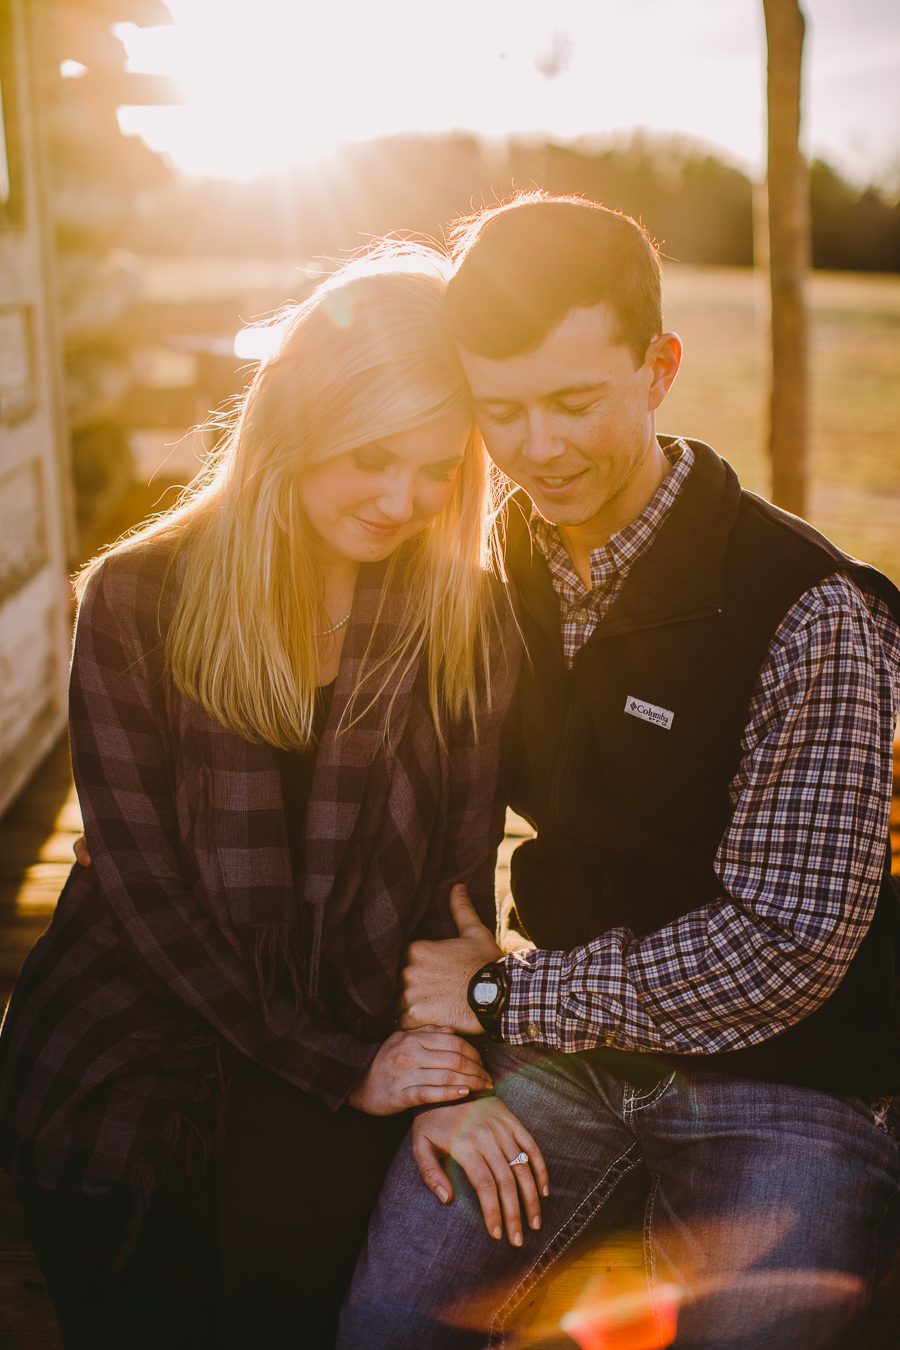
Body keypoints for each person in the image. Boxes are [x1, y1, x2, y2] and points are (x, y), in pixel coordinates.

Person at [339, 195, 900, 1349]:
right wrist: (449, 1051)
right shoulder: (490, 565)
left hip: (793, 1081)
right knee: (392, 1330)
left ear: (659, 370)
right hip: (566, 1065)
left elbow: (784, 949)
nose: (538, 448)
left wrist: (501, 998)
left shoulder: (811, 609)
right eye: (502, 411)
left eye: (575, 402)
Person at [0, 246, 528, 1349]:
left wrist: (448, 1068)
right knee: (135, 1223)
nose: (403, 500)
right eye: (372, 456)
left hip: (358, 1006)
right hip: (149, 1011)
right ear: (297, 423)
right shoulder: (140, 598)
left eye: (437, 467)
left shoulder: (467, 620)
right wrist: (341, 1067)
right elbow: (144, 895)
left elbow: (456, 887)